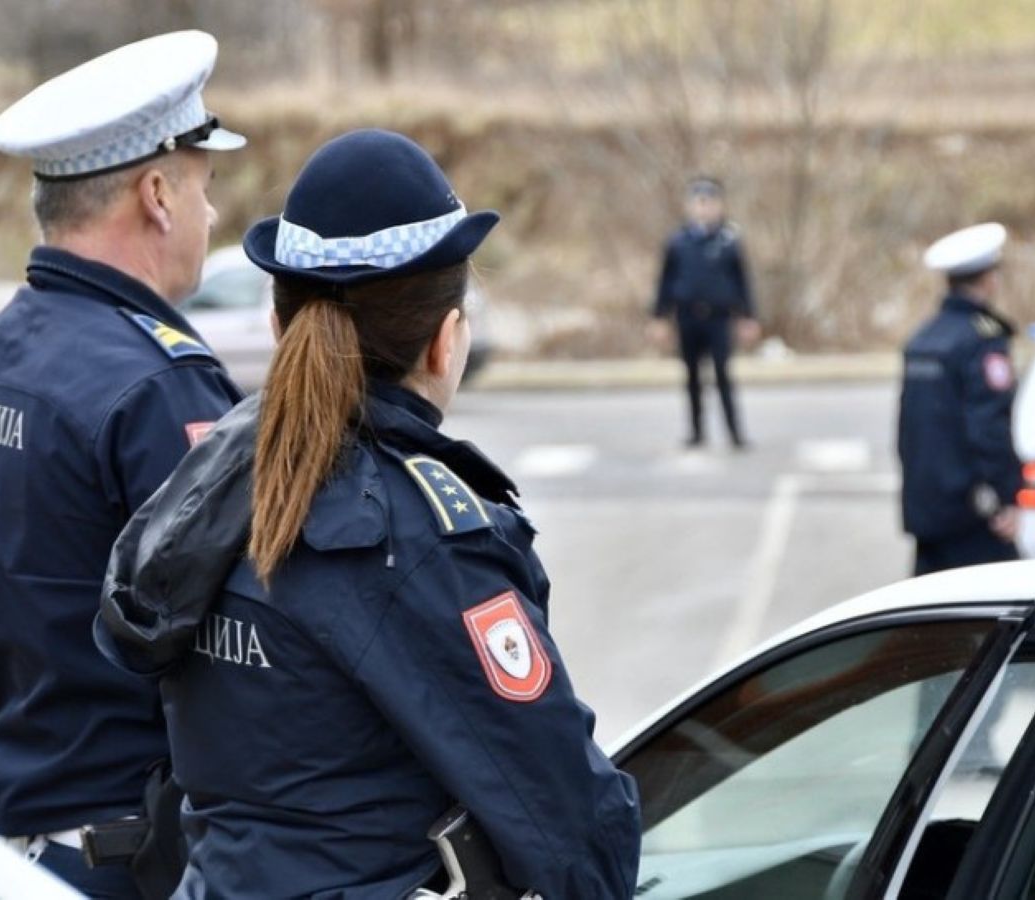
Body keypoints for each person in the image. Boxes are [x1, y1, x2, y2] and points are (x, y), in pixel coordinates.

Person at [96, 129, 642, 898]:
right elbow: (575, 835)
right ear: (446, 342)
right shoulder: (420, 540)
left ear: (279, 329)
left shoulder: (212, 486)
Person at [0, 31, 245, 897]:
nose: (211, 215)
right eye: (203, 186)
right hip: (135, 861)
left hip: (19, 844)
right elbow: (244, 650)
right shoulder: (157, 386)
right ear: (157, 196)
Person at [898, 223, 1022, 576]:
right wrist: (1005, 496)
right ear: (989, 279)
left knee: (929, 607)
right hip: (973, 516)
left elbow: (910, 430)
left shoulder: (923, 339)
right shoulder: (981, 340)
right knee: (1004, 601)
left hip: (928, 511)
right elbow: (988, 427)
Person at [649, 176, 760, 449]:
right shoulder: (678, 241)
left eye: (710, 202)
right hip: (687, 316)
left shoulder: (728, 240)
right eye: (699, 202)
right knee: (692, 376)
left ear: (719, 205)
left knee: (722, 373)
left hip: (718, 317)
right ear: (690, 206)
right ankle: (697, 432)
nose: (704, 208)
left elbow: (741, 281)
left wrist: (747, 316)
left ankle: (734, 432)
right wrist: (660, 316)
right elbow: (666, 280)